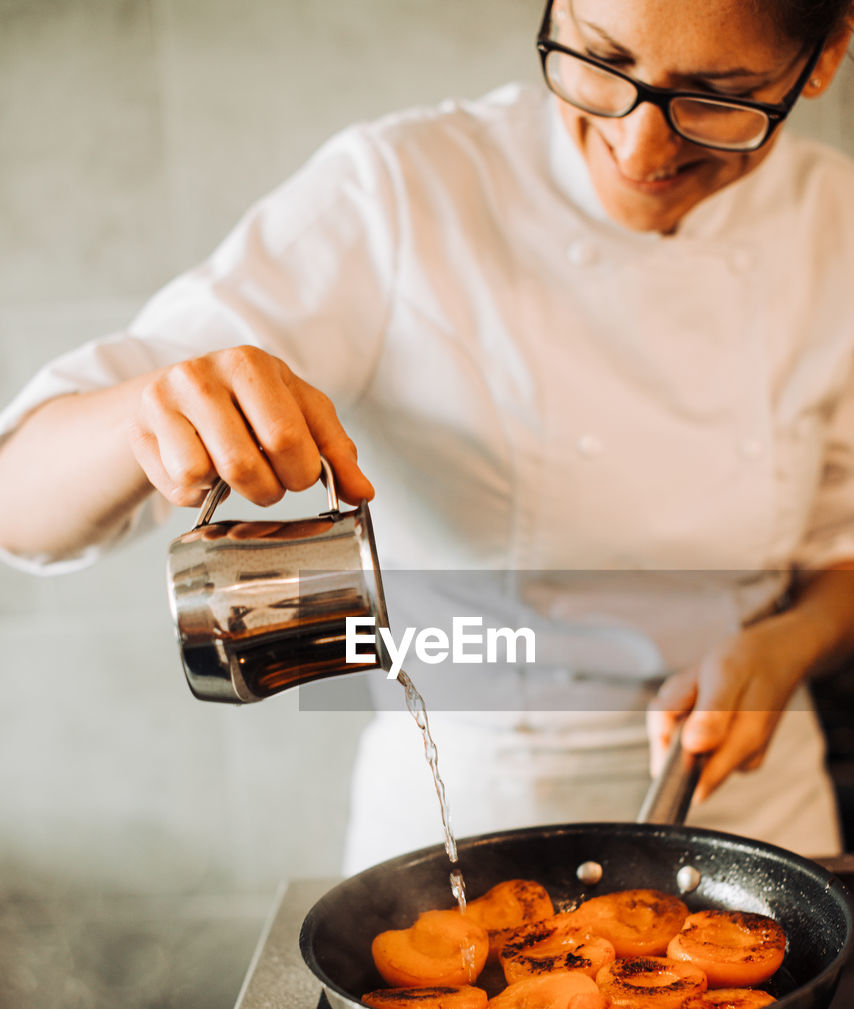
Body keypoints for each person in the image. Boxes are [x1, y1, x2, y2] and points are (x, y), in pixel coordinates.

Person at [1, 0, 853, 870]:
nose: (639, 150)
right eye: (599, 61)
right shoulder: (404, 191)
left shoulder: (836, 223)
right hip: (473, 816)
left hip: (757, 809)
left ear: (823, 58)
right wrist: (153, 407)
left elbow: (841, 548)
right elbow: (19, 503)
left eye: (719, 96)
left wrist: (785, 646)